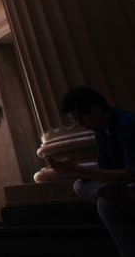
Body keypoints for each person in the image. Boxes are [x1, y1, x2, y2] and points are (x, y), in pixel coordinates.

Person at [48, 86, 135, 257]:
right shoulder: (101, 132)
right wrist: (73, 170)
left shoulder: (128, 125)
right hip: (122, 184)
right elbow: (104, 169)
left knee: (105, 205)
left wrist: (76, 169)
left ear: (95, 109)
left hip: (130, 180)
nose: (80, 125)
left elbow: (131, 172)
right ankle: (120, 194)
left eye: (80, 119)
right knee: (80, 185)